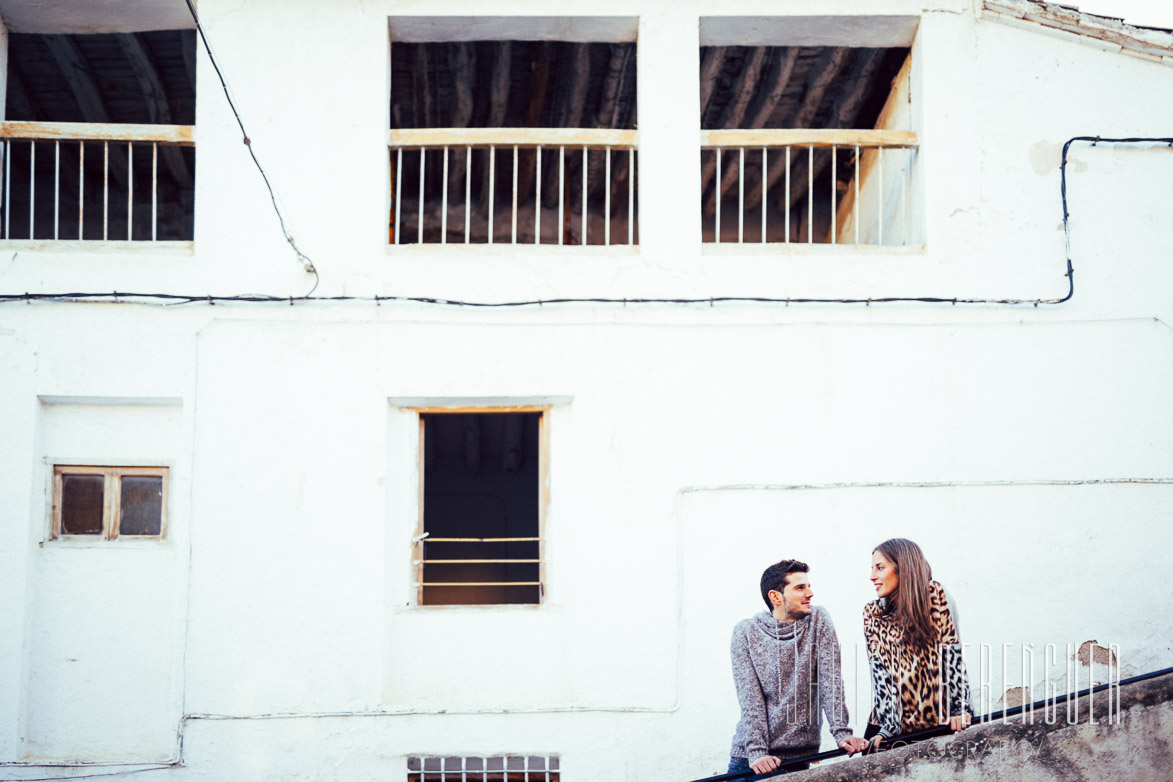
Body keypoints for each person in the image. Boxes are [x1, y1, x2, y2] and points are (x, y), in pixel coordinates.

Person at [728, 559, 867, 778]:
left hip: (798, 759)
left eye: (808, 586)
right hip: (753, 761)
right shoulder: (746, 633)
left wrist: (841, 733)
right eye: (800, 587)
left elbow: (830, 681)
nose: (810, 593)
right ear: (776, 597)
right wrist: (757, 752)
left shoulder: (818, 620)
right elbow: (750, 699)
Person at [863, 538, 973, 750]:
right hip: (891, 722)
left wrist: (960, 709)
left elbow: (952, 655)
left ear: (902, 567)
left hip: (938, 719)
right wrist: (887, 729)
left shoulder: (935, 595)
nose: (872, 576)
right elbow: (879, 675)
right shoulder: (872, 613)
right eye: (872, 569)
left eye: (880, 567)